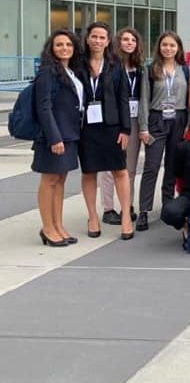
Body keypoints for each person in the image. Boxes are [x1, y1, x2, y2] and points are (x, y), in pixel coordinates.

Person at [78, 22, 134, 241]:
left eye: (102, 37)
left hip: (111, 125)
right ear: (88, 39)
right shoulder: (78, 63)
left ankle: (126, 216)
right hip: (86, 127)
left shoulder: (115, 64)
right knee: (89, 172)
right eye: (94, 36)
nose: (98, 41)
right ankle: (92, 216)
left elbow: (123, 97)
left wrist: (125, 128)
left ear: (108, 41)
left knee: (119, 170)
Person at [33, 29, 84, 247]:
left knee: (60, 180)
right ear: (51, 49)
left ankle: (58, 225)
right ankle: (47, 228)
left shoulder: (70, 71)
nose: (65, 48)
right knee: (50, 180)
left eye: (68, 45)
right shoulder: (48, 72)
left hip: (70, 134)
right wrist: (54, 138)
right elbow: (44, 107)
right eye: (59, 45)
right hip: (54, 136)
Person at [137, 32, 190, 231]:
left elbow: (188, 100)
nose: (168, 48)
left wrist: (188, 124)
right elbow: (143, 99)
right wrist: (143, 127)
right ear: (159, 47)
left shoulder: (184, 70)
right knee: (151, 166)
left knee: (172, 165)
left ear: (178, 48)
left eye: (172, 45)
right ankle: (144, 209)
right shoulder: (151, 69)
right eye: (165, 45)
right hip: (156, 119)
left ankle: (168, 204)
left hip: (178, 118)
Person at [98, 27, 147, 226]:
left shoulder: (140, 68)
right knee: (110, 166)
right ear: (118, 42)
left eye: (133, 40)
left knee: (130, 166)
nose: (129, 43)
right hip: (114, 121)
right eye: (125, 39)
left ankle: (127, 205)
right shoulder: (110, 66)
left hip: (134, 120)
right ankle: (108, 208)